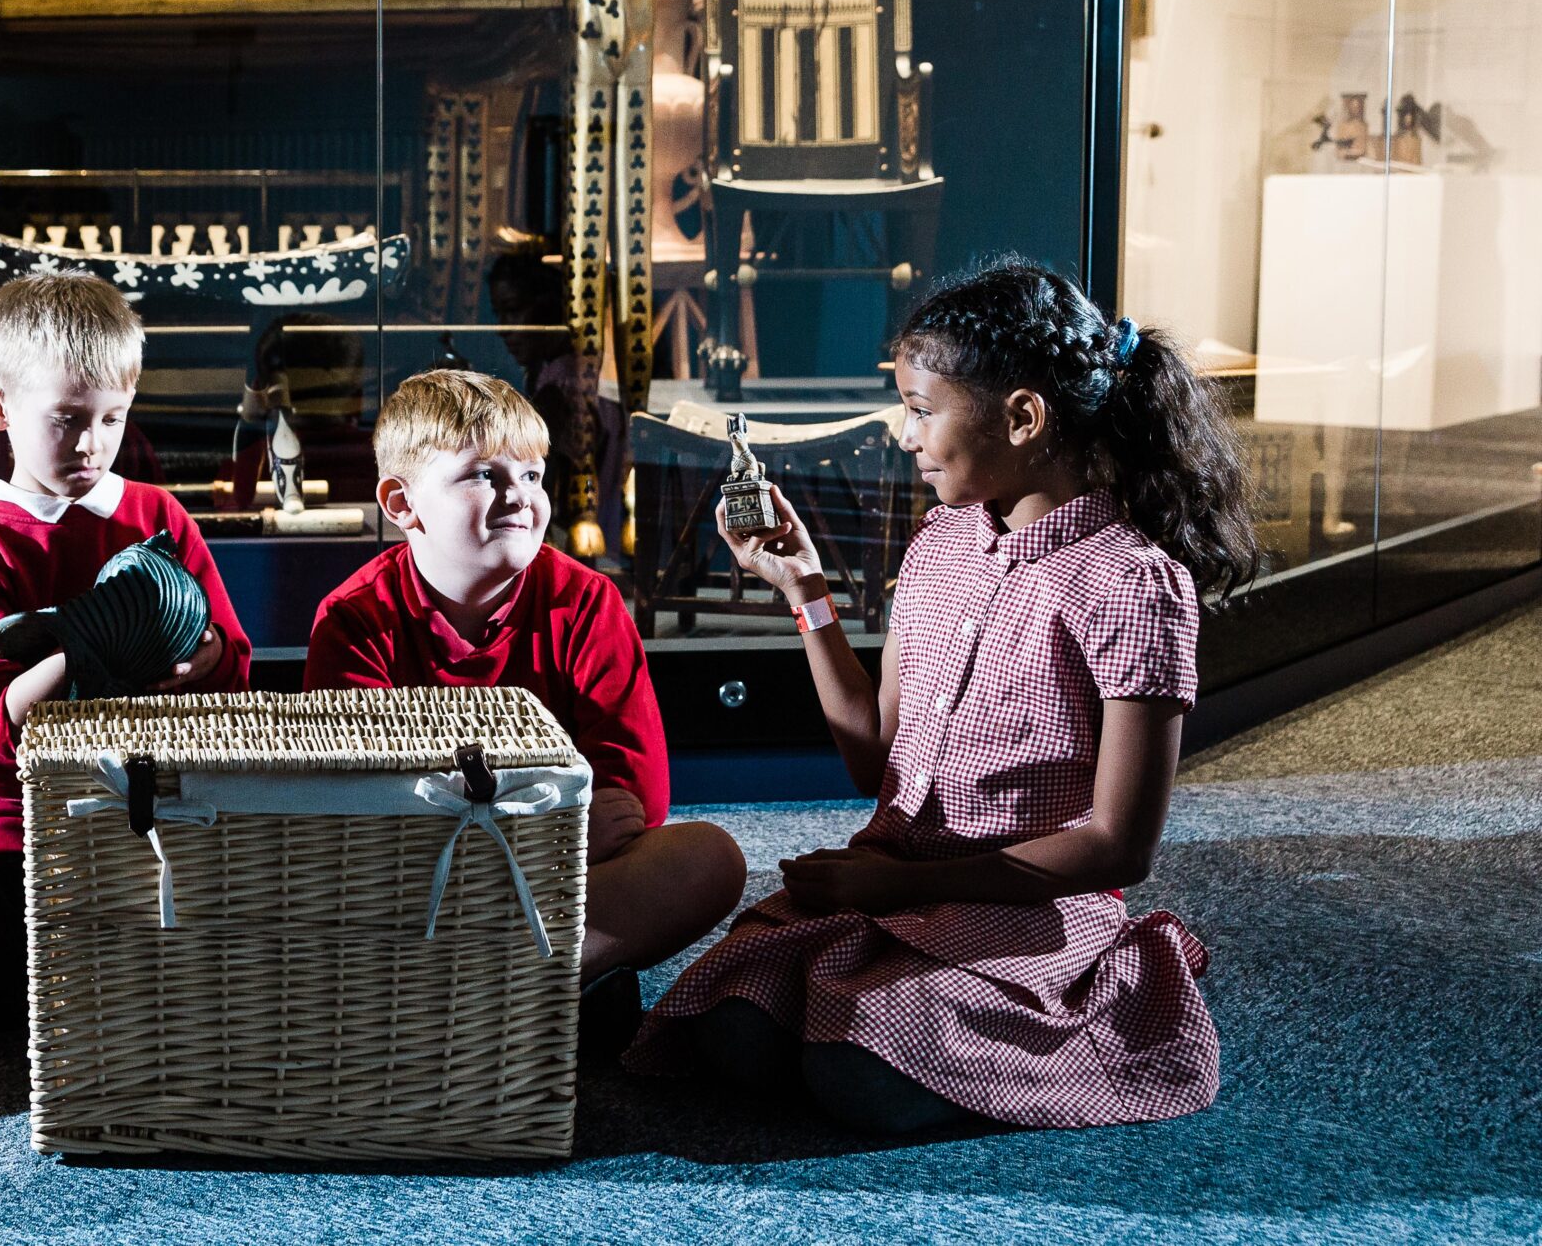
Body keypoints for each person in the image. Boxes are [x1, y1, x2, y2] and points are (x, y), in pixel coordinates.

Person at [627, 259, 1260, 1135]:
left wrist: (890, 887)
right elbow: (872, 764)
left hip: (1025, 907)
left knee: (853, 1063)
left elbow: (1118, 846)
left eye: (923, 410)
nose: (905, 432)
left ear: (1024, 416)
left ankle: (1098, 1000)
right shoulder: (937, 548)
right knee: (729, 1022)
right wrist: (806, 591)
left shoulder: (1132, 584)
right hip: (896, 887)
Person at [303, 368, 747, 1048]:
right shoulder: (354, 619)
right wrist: (541, 830)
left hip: (557, 884)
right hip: (423, 888)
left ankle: (468, 997)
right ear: (401, 502)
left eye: (534, 475)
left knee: (708, 858)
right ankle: (550, 987)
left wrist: (476, 823)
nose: (520, 497)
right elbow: (363, 810)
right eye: (484, 475)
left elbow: (634, 798)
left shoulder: (589, 602)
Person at [0, 272, 253, 1033]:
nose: (93, 444)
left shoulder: (156, 513)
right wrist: (87, 637)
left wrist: (199, 661)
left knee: (240, 934)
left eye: (112, 418)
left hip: (150, 793)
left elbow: (231, 663)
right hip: (12, 805)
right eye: (68, 419)